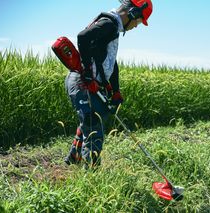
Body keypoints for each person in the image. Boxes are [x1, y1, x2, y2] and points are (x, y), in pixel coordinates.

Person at [64, 0, 153, 168]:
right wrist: (89, 75)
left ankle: (75, 157)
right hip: (81, 82)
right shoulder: (109, 23)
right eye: (139, 21)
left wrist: (115, 90)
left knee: (100, 113)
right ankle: (91, 178)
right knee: (93, 127)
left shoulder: (113, 27)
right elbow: (83, 36)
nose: (137, 26)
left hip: (88, 81)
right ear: (133, 13)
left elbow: (111, 61)